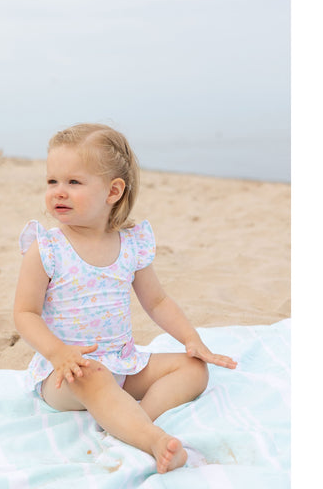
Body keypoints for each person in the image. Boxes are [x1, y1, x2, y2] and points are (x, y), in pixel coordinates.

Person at [13, 123, 237, 474]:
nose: (58, 191)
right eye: (52, 181)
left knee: (194, 369)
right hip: (67, 374)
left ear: (113, 191)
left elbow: (158, 302)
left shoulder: (130, 244)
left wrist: (192, 340)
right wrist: (59, 354)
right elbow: (25, 313)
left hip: (124, 362)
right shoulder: (47, 248)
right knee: (95, 376)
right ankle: (151, 439)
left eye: (73, 182)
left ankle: (129, 420)